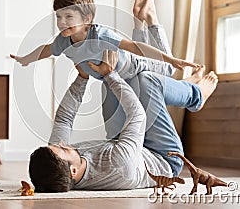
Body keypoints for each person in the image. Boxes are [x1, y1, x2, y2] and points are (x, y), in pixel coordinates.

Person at [28, 50, 218, 192]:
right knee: (145, 80)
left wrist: (83, 77)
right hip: (164, 157)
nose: (62, 144)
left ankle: (180, 86)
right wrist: (110, 75)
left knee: (112, 83)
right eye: (63, 149)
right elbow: (137, 115)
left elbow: (64, 118)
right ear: (73, 172)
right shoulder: (119, 165)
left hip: (124, 143)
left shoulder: (59, 161)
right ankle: (196, 95)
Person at [10, 0, 200, 81]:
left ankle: (151, 18)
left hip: (133, 65)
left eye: (68, 16)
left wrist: (170, 58)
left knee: (168, 70)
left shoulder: (99, 34)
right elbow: (47, 50)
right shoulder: (63, 41)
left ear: (87, 18)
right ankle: (140, 19)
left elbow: (134, 47)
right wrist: (27, 59)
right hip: (118, 74)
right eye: (58, 17)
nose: (61, 22)